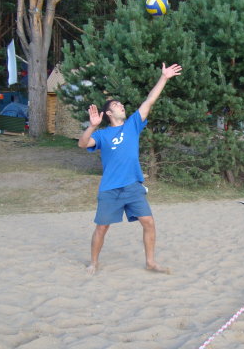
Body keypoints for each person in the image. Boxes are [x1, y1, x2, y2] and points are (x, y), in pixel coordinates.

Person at [78, 63, 182, 275]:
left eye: (121, 104)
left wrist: (164, 78)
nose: (122, 106)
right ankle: (94, 263)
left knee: (149, 223)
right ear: (109, 112)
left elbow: (149, 100)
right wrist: (92, 126)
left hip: (133, 185)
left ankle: (150, 262)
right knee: (101, 227)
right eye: (117, 105)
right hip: (110, 188)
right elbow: (83, 144)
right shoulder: (102, 135)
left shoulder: (132, 125)